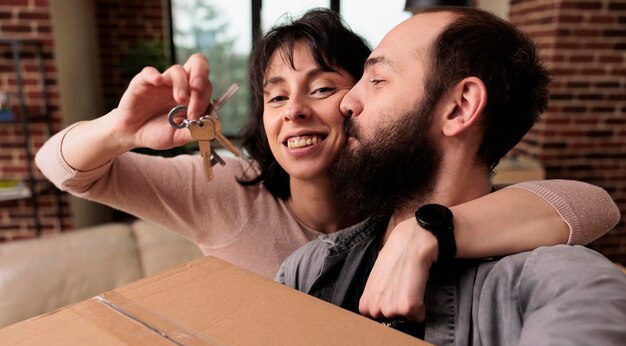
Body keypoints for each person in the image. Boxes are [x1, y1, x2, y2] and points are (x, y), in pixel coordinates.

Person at [36, 8, 615, 287]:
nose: (295, 111)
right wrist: (120, 130)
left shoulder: (397, 191)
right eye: (275, 96)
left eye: (323, 88)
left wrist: (429, 229)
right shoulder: (224, 189)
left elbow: (593, 205)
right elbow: (58, 166)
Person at [277, 7, 626, 346]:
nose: (346, 103)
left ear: (460, 107)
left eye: (376, 79)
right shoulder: (310, 268)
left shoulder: (559, 286)